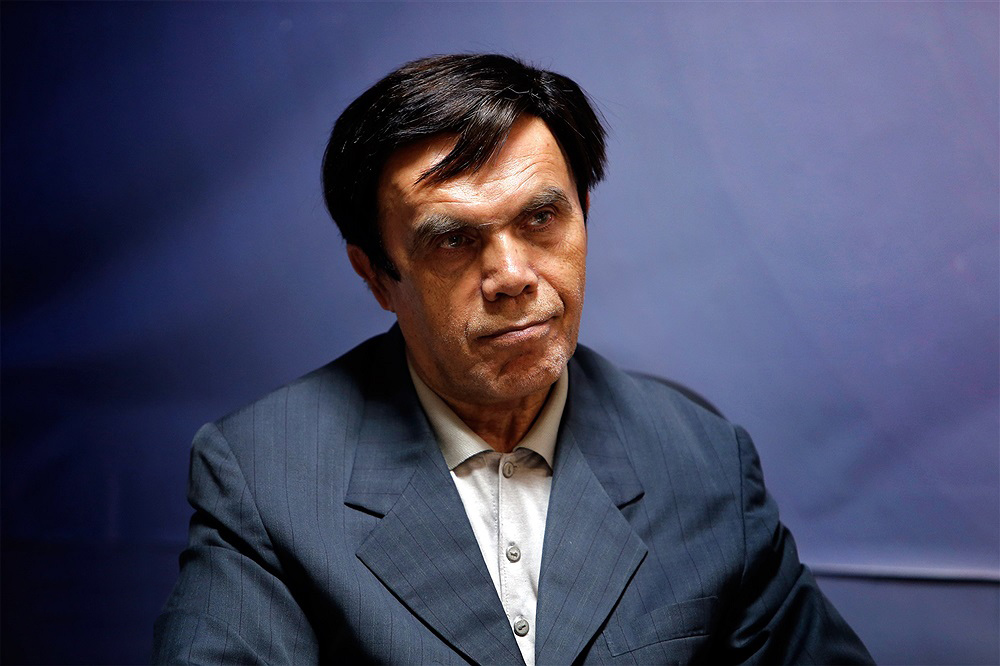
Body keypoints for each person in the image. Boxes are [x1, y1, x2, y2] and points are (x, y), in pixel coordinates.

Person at [153, 54, 873, 665]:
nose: (512, 276)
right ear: (376, 275)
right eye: (453, 241)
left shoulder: (701, 458)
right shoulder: (266, 475)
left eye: (540, 218)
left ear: (583, 215)